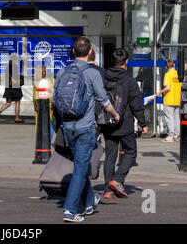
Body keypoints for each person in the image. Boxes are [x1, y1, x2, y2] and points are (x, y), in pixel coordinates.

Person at [54, 36, 120, 223]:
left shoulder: (62, 72)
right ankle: (70, 210)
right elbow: (104, 100)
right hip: (85, 127)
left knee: (80, 166)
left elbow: (55, 101)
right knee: (80, 170)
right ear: (90, 52)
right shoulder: (92, 74)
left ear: (74, 52)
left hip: (68, 128)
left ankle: (90, 201)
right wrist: (115, 115)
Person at [101, 48, 148, 199]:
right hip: (124, 123)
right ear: (126, 62)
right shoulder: (130, 81)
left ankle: (108, 189)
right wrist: (143, 123)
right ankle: (118, 179)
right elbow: (136, 104)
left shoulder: (104, 79)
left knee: (110, 155)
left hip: (107, 122)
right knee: (131, 152)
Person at [156, 59, 181, 142]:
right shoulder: (177, 74)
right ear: (174, 65)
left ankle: (171, 135)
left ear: (166, 67)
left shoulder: (167, 74)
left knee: (169, 118)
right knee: (176, 117)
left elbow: (168, 87)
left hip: (169, 99)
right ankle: (176, 135)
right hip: (177, 99)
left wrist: (160, 92)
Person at [0, 56, 25, 123]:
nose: (17, 60)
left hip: (8, 88)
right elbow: (12, 77)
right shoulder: (14, 67)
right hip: (15, 87)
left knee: (8, 103)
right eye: (16, 59)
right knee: (17, 102)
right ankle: (17, 118)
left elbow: (8, 77)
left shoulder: (7, 67)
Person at [32, 65, 54, 136]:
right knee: (40, 124)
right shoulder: (36, 82)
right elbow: (35, 96)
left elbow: (55, 93)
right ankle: (41, 139)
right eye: (42, 71)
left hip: (51, 105)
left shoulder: (52, 80)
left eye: (44, 71)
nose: (43, 73)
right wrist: (36, 105)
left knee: (51, 123)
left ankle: (48, 139)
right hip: (40, 105)